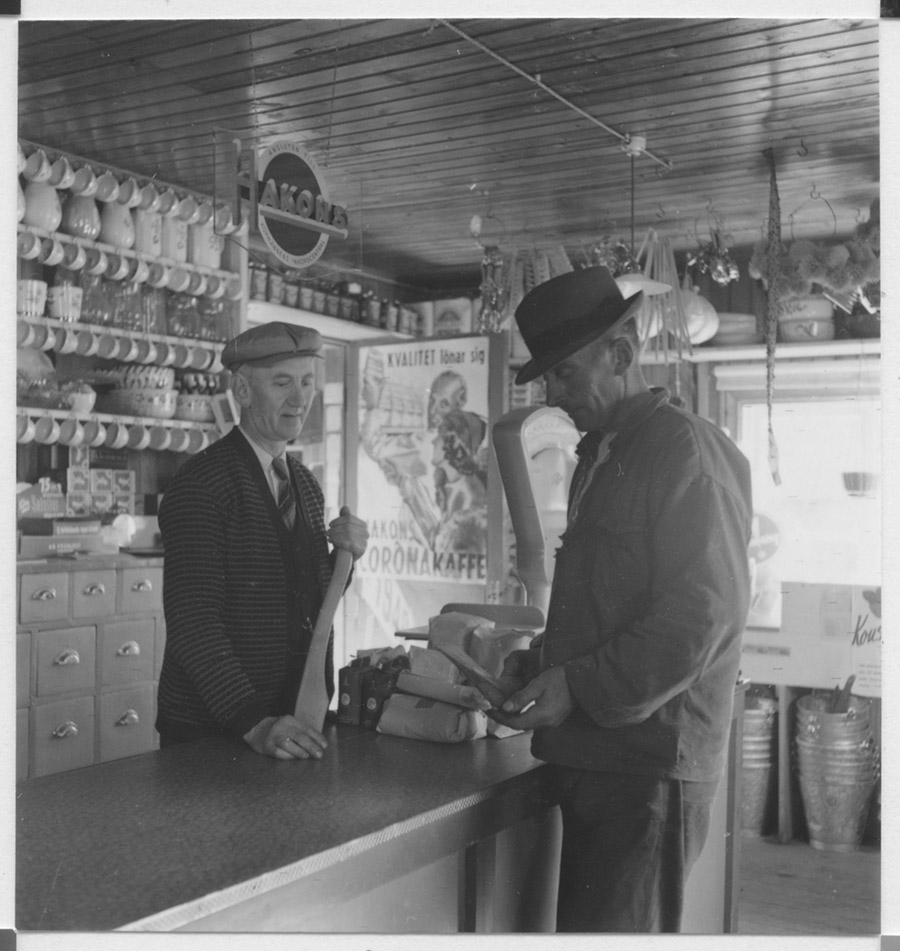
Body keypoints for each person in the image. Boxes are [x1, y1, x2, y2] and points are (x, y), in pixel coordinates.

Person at [489, 267, 753, 933]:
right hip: (602, 760)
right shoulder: (601, 451)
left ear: (622, 354)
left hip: (649, 770)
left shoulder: (687, 450)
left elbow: (703, 616)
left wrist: (577, 685)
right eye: (546, 379)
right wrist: (540, 664)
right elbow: (607, 602)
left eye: (565, 374)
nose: (553, 395)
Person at [156, 321, 369, 760]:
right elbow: (193, 623)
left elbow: (304, 597)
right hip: (217, 732)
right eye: (282, 383)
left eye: (307, 382)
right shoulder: (202, 484)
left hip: (290, 723)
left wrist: (346, 558)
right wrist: (253, 723)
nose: (300, 399)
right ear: (243, 390)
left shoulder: (305, 485)